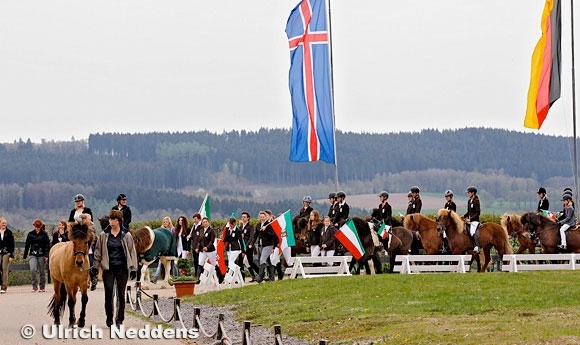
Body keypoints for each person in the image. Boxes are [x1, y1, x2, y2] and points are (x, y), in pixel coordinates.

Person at [92, 210, 137, 327]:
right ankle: (109, 317)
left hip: (122, 268)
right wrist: (95, 267)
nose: (111, 222)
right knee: (109, 294)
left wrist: (134, 268)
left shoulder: (126, 235)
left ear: (119, 221)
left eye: (114, 220)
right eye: (110, 220)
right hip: (108, 268)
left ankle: (119, 319)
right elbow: (98, 252)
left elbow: (132, 252)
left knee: (121, 295)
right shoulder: (103, 235)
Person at [68, 193, 97, 290]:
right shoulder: (73, 211)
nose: (78, 203)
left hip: (85, 232)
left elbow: (90, 221)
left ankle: (93, 275)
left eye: (79, 201)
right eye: (76, 201)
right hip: (76, 234)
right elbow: (70, 222)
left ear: (82, 202)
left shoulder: (87, 210)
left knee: (89, 252)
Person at [249, 210, 278, 283]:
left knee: (262, 260)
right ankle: (271, 277)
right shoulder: (258, 225)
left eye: (263, 217)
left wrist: (265, 230)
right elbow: (255, 235)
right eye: (261, 217)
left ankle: (261, 276)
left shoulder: (269, 224)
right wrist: (252, 243)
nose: (262, 218)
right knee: (267, 261)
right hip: (260, 245)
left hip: (268, 245)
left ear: (266, 217)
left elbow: (272, 235)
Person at [23, 219, 50, 292]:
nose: (37, 228)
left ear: (40, 227)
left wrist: (46, 255)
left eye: (38, 227)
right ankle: (34, 286)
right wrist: (25, 255)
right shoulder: (30, 234)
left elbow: (47, 245)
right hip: (33, 254)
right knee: (33, 269)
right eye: (36, 227)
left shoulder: (44, 234)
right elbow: (27, 245)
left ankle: (42, 286)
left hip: (42, 254)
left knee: (42, 271)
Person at [152, 216, 175, 283]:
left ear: (169, 222)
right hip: (163, 250)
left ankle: (174, 277)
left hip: (170, 249)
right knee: (160, 264)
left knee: (172, 265)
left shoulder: (172, 229)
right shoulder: (161, 230)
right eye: (164, 222)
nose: (165, 223)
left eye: (166, 222)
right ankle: (155, 278)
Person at [195, 217, 217, 284]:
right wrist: (197, 247)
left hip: (210, 250)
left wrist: (207, 247)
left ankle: (220, 276)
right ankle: (198, 278)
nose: (205, 223)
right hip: (202, 250)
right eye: (203, 222)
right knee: (200, 264)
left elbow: (212, 241)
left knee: (213, 264)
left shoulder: (211, 230)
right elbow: (199, 240)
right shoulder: (201, 230)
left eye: (206, 222)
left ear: (208, 222)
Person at [239, 211, 259, 281]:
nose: (243, 218)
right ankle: (251, 276)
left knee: (250, 261)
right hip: (242, 247)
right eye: (242, 217)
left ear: (248, 218)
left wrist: (247, 245)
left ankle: (260, 273)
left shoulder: (250, 226)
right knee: (244, 262)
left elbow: (251, 237)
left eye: (244, 217)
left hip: (249, 247)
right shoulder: (240, 227)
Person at [464, 186, 481, 253]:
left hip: (475, 221)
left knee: (472, 231)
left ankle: (477, 246)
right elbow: (468, 212)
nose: (468, 194)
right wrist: (463, 216)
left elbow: (478, 212)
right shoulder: (469, 201)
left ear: (473, 193)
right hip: (470, 220)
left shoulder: (476, 201)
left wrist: (470, 219)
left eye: (469, 192)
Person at [0, 217, 15, 294]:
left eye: (5, 223)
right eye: (3, 223)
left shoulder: (9, 233)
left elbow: (12, 245)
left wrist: (12, 255)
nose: (4, 224)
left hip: (6, 252)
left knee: (4, 269)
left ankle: (4, 287)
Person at [187, 213, 203, 278]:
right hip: (194, 247)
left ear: (199, 219)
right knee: (195, 261)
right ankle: (196, 274)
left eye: (195, 219)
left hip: (199, 248)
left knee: (200, 262)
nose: (194, 220)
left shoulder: (201, 227)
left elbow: (201, 238)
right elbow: (193, 237)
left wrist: (198, 247)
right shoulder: (193, 227)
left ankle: (200, 275)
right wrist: (189, 237)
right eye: (193, 219)